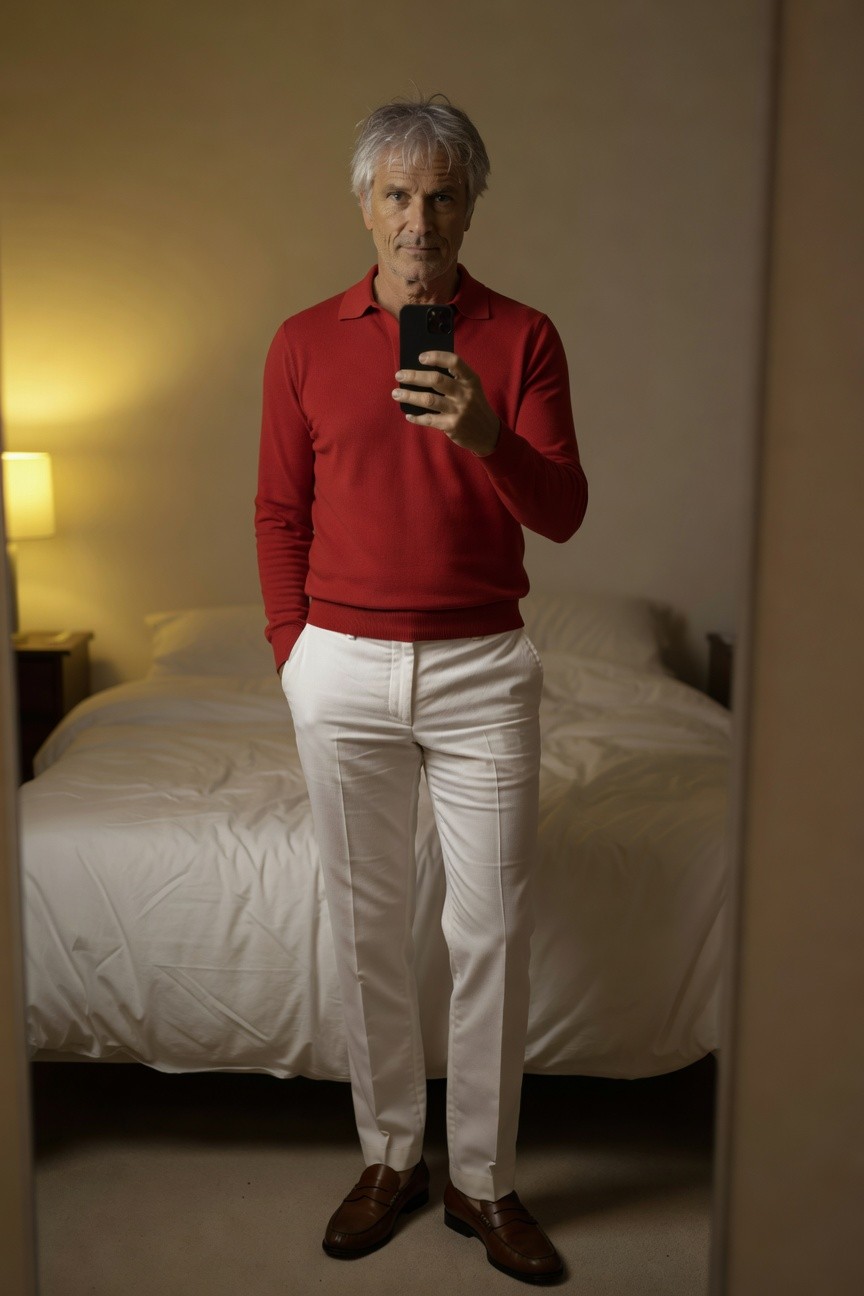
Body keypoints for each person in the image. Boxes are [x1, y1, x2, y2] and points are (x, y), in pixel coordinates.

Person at [255, 94, 587, 1285]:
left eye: (442, 194)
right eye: (397, 194)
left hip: (482, 669)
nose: (418, 219)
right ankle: (391, 1154)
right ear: (364, 206)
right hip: (338, 667)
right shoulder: (301, 341)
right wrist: (295, 652)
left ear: (471, 205)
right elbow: (279, 511)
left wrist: (489, 435)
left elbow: (564, 510)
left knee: (490, 929)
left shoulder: (525, 335)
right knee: (368, 927)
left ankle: (483, 1182)